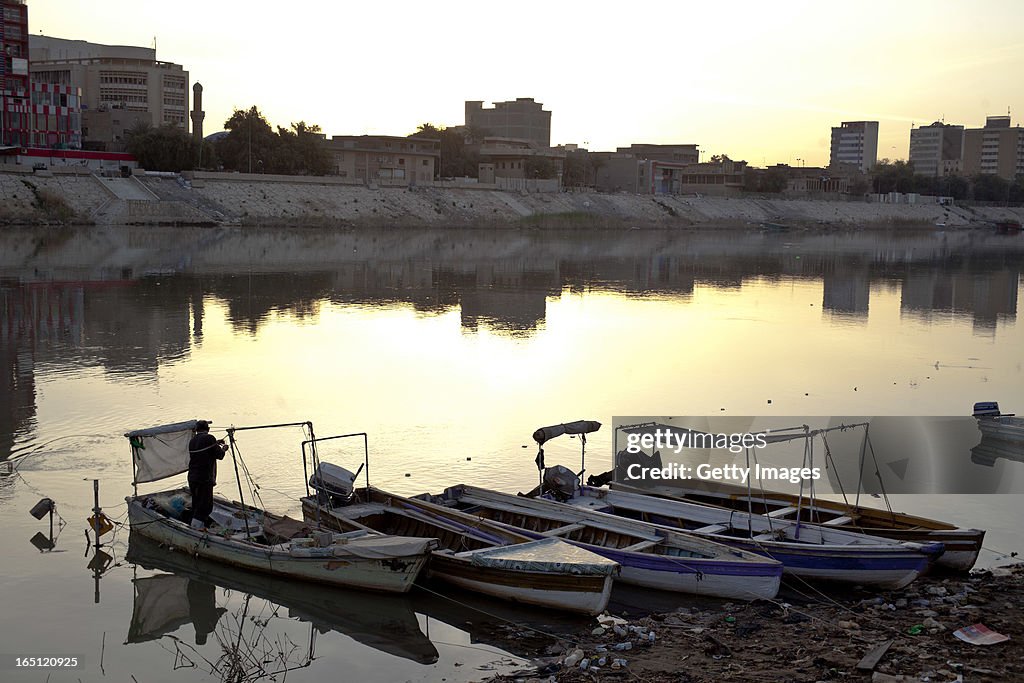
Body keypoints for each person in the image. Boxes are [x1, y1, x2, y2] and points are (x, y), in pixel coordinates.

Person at [187, 420, 227, 530]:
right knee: (205, 506)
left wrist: (216, 443)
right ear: (208, 429)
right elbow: (219, 455)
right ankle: (196, 529)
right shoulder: (209, 438)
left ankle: (193, 524)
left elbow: (205, 449)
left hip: (192, 477)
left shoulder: (192, 441)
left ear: (196, 430)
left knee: (196, 503)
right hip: (204, 478)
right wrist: (224, 449)